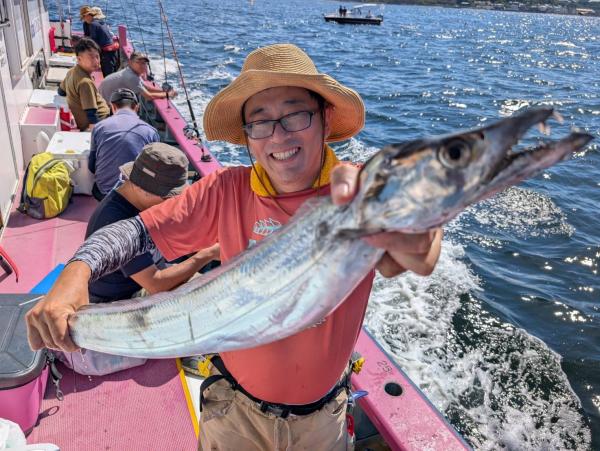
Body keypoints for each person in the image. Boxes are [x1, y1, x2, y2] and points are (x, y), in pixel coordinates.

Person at [26, 44, 442, 450]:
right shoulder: (227, 190)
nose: (278, 135)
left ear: (325, 118)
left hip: (322, 422)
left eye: (295, 114)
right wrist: (76, 272)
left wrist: (418, 237)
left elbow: (419, 234)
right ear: (247, 137)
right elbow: (133, 232)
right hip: (234, 414)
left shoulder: (363, 194)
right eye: (260, 123)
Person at [86, 142, 220, 303]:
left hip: (151, 274)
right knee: (210, 296)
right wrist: (207, 254)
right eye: (169, 196)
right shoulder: (117, 222)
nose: (173, 202)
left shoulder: (137, 200)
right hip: (120, 299)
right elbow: (156, 285)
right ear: (142, 189)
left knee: (216, 286)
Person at [88, 88, 160, 201]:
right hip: (136, 197)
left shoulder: (99, 127)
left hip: (104, 193)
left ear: (112, 107)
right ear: (137, 107)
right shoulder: (151, 131)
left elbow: (91, 166)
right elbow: (155, 169)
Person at [58, 37, 110, 131]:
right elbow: (91, 114)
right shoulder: (85, 82)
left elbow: (61, 91)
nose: (96, 61)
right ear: (79, 59)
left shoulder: (71, 72)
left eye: (97, 56)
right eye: (91, 57)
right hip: (101, 120)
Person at [99, 52, 177, 104]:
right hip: (106, 104)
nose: (143, 66)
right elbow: (148, 96)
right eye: (138, 62)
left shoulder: (131, 71)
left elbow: (147, 87)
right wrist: (168, 94)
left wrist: (164, 91)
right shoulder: (131, 77)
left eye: (144, 63)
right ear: (130, 62)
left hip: (107, 99)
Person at [80, 6, 119, 77]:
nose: (84, 19)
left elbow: (93, 42)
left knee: (108, 75)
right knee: (110, 73)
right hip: (110, 52)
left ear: (89, 15)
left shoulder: (93, 24)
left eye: (84, 17)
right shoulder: (97, 23)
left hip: (107, 53)